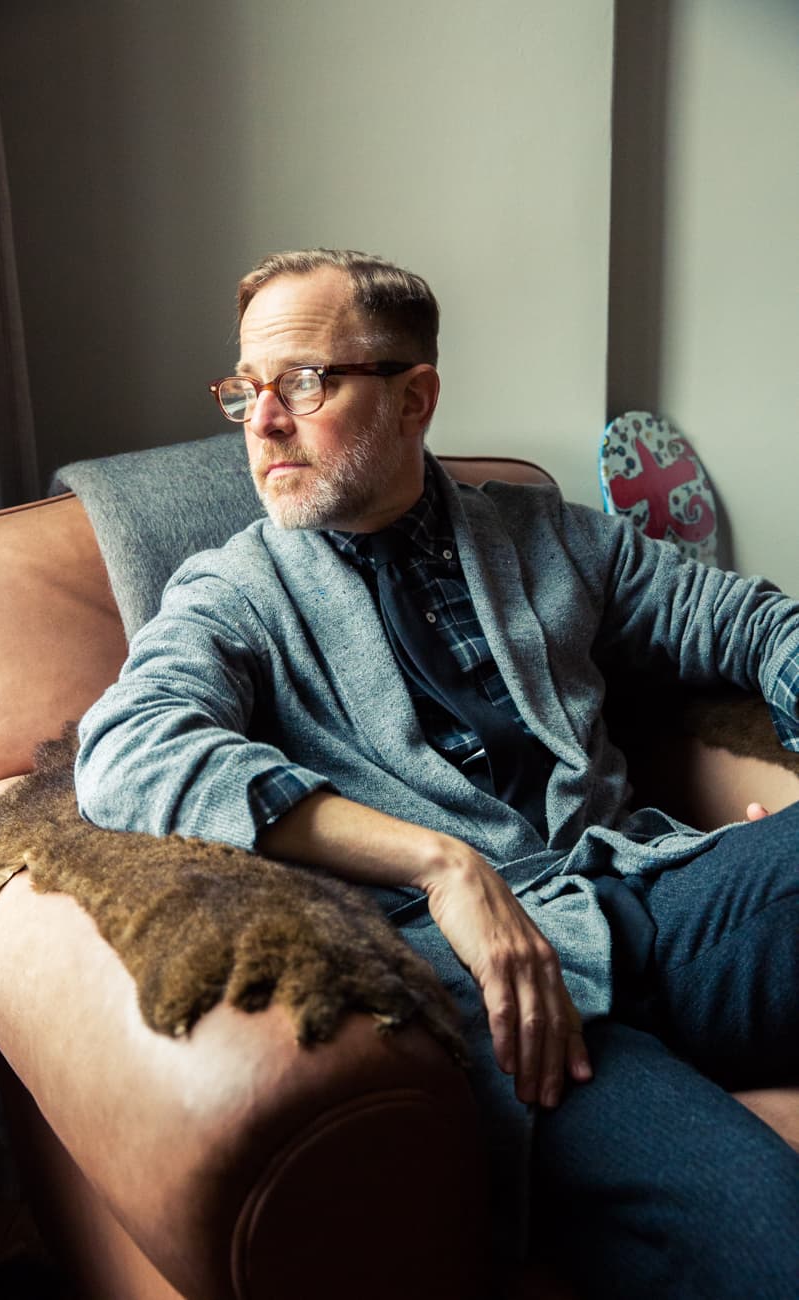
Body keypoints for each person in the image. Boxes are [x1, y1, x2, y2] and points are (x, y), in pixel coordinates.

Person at [75, 249, 799, 1299]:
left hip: (656, 899)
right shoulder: (232, 594)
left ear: (414, 397)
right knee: (771, 1234)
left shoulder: (546, 536)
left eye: (303, 383)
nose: (261, 422)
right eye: (245, 389)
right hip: (509, 1004)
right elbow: (127, 748)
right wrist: (442, 864)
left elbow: (749, 623)